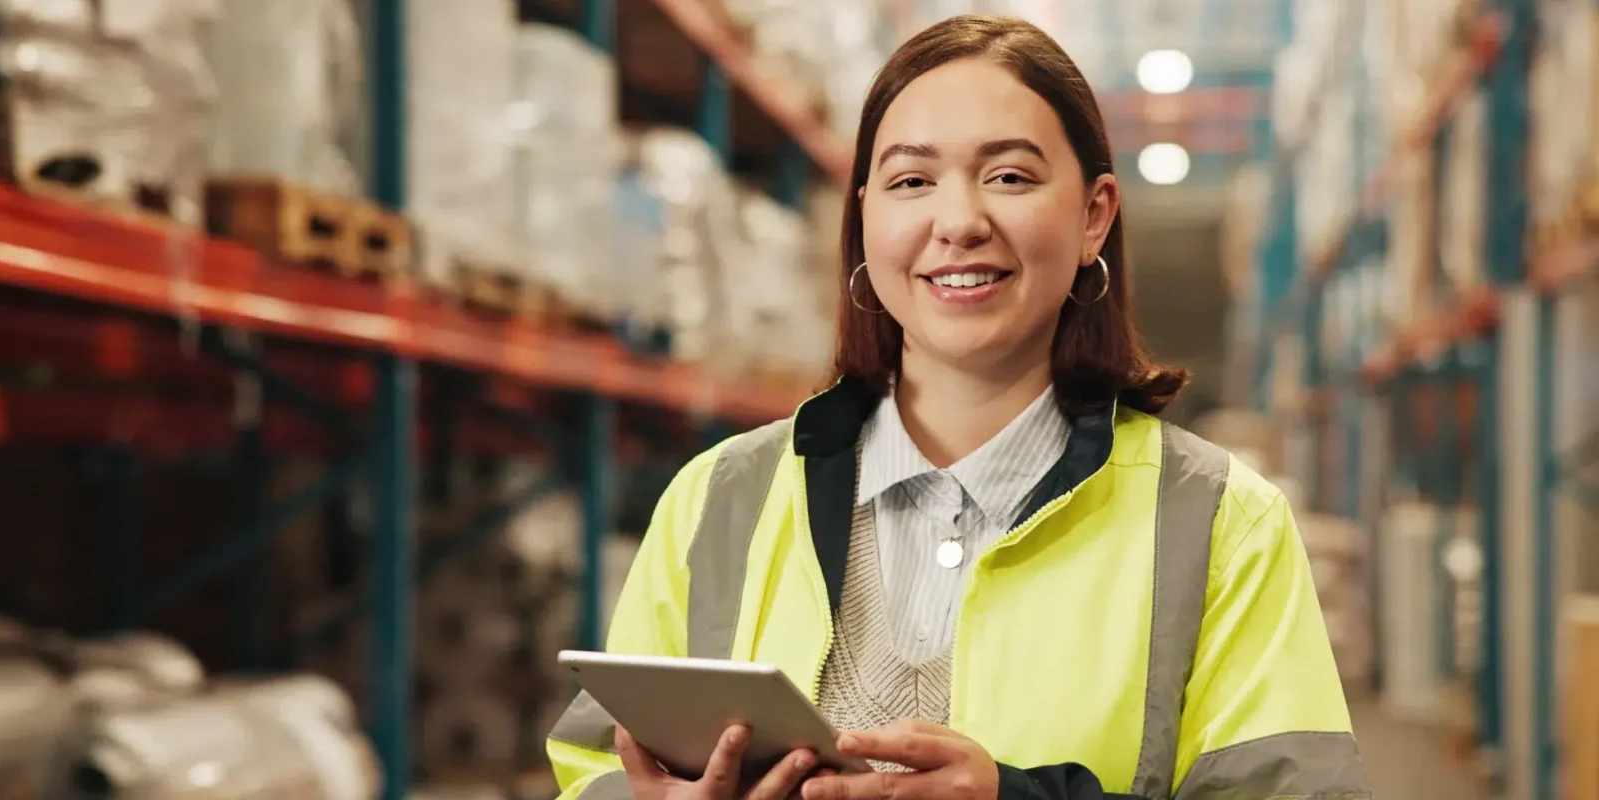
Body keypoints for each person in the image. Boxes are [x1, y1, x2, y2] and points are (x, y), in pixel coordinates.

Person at [547, 14, 1371, 800]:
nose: (959, 221)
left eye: (1009, 177)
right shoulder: (716, 500)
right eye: (911, 181)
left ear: (1094, 216)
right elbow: (595, 767)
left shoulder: (1222, 524)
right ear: (864, 215)